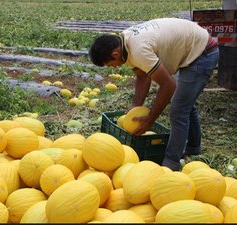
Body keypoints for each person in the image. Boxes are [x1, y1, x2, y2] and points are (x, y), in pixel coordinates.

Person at [89, 17, 219, 171]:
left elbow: (168, 85)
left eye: (111, 65)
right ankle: (193, 147)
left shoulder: (138, 50)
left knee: (178, 110)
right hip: (190, 48)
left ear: (115, 54)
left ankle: (171, 163)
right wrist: (135, 106)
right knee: (185, 103)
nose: (114, 68)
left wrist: (150, 119)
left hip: (202, 53)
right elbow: (142, 76)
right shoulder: (125, 41)